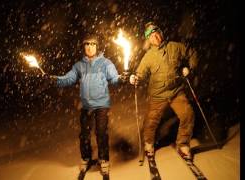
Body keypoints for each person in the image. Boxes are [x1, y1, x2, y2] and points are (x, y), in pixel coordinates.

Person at [45, 33, 128, 179]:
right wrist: (54, 79)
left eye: (93, 44)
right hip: (86, 106)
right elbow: (68, 79)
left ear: (97, 46)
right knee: (84, 135)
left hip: (102, 104)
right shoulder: (79, 65)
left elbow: (114, 78)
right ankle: (86, 158)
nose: (90, 47)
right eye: (87, 44)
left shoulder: (105, 63)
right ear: (84, 47)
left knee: (101, 133)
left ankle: (104, 160)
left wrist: (122, 78)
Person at [129, 22, 198, 160]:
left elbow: (192, 52)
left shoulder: (175, 47)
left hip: (176, 91)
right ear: (149, 40)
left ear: (161, 33)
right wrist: (134, 78)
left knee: (188, 114)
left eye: (156, 33)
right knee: (151, 121)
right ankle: (148, 144)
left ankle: (183, 144)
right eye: (152, 36)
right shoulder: (148, 56)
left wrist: (189, 68)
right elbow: (140, 73)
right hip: (158, 95)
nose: (155, 37)